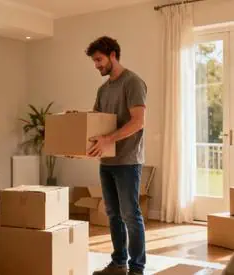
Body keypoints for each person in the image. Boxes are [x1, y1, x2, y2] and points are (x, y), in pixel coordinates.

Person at [86, 36, 147, 275]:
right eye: (94, 61)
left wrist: (109, 140)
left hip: (128, 160)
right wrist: (76, 146)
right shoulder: (103, 89)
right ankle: (118, 262)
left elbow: (138, 122)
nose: (97, 65)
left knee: (130, 215)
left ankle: (137, 267)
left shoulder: (133, 82)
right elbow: (94, 123)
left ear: (113, 55)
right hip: (107, 161)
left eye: (99, 59)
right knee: (112, 213)